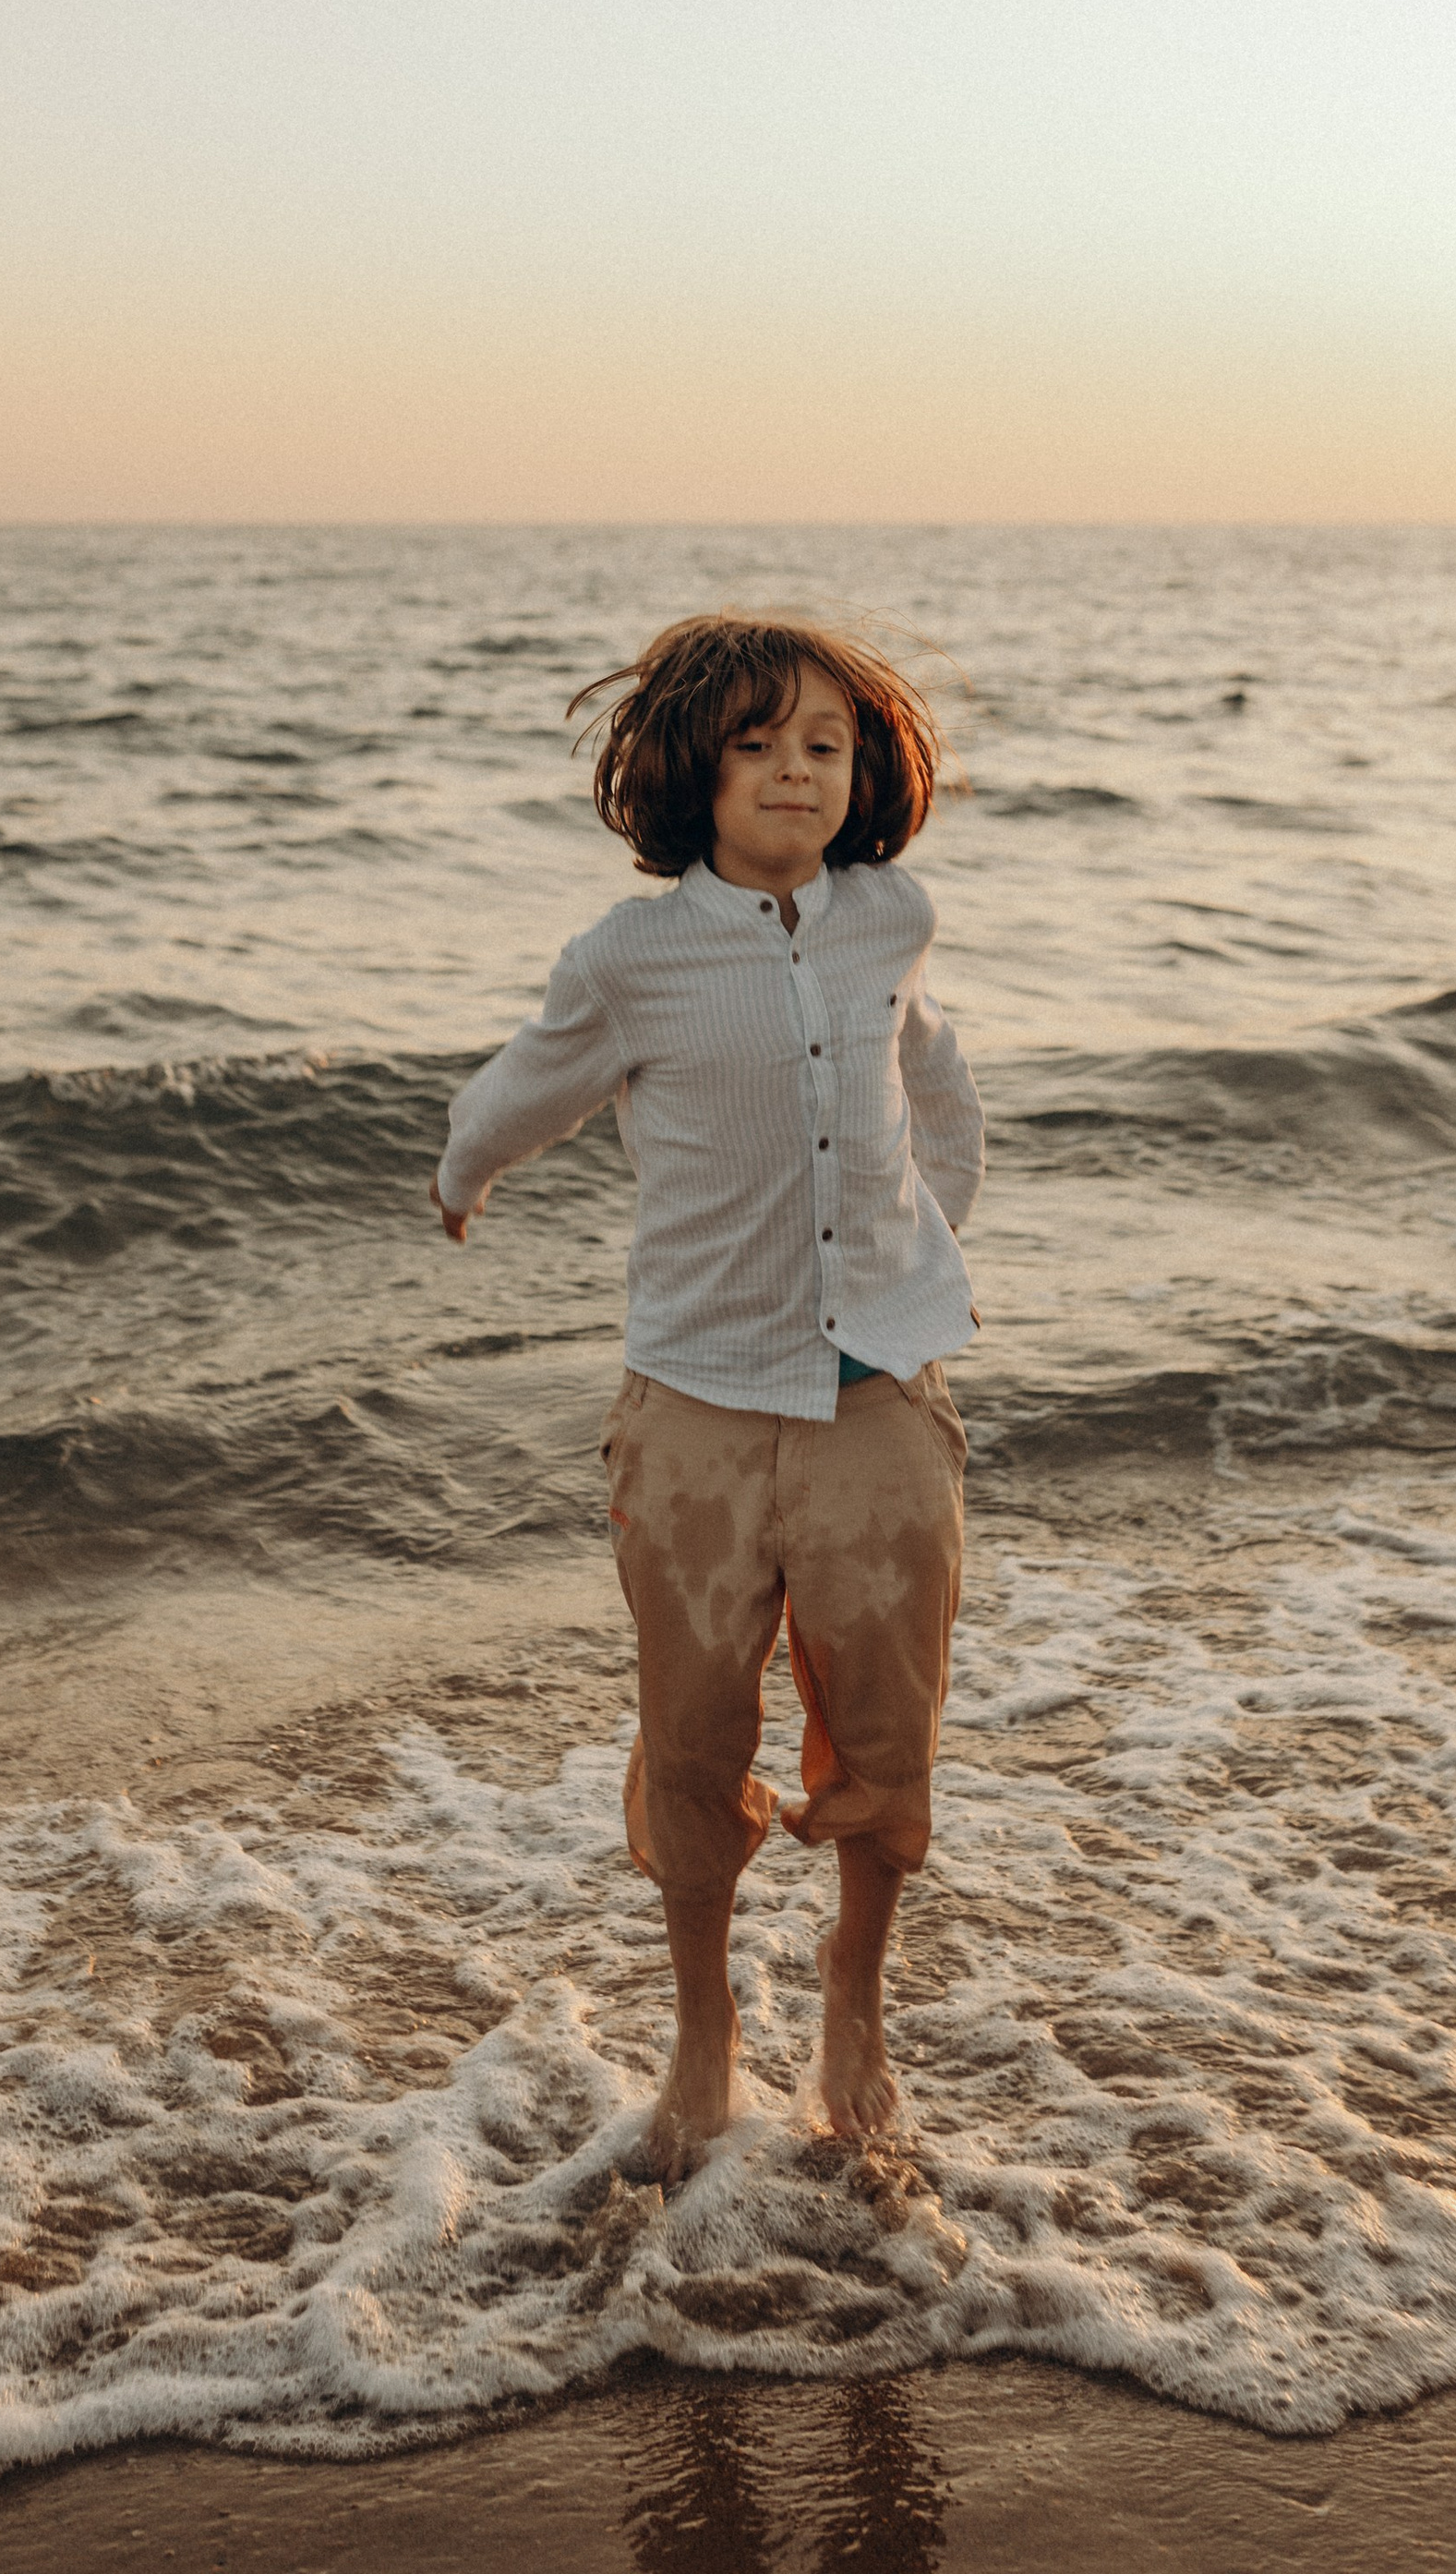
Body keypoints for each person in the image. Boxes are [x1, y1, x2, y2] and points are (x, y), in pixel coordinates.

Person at [429, 611, 982, 2173]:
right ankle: (701, 2035)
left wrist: (924, 1239)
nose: (796, 773)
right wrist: (464, 1171)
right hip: (696, 1409)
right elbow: (530, 1080)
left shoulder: (890, 919)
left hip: (880, 1398)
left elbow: (927, 1074)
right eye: (758, 745)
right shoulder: (633, 959)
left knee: (890, 1734)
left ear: (864, 768)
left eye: (825, 744)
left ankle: (854, 1999)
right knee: (690, 1740)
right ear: (694, 765)